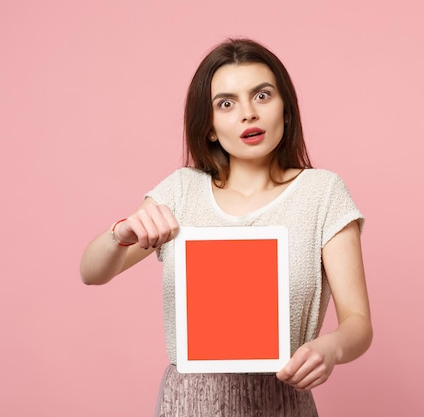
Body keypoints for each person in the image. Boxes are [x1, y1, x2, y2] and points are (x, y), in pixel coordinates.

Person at [80, 38, 372, 417]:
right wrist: (121, 233)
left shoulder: (323, 193)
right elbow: (92, 273)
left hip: (283, 398)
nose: (248, 114)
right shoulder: (181, 190)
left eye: (262, 96)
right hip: (190, 403)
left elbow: (358, 322)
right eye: (226, 104)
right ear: (211, 127)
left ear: (285, 110)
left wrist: (329, 348)